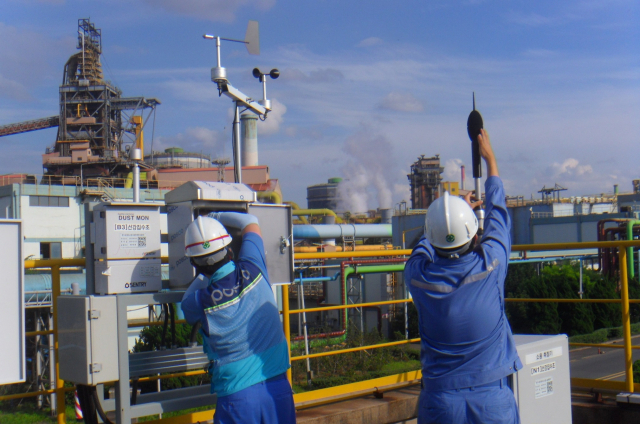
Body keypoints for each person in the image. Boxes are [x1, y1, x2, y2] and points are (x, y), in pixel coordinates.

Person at [404, 128, 522, 424]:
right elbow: (498, 217)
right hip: (491, 400)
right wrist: (490, 160)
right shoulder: (491, 265)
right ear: (473, 232)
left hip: (440, 404)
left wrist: (449, 218)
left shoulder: (417, 279)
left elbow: (423, 247)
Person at [181, 212, 296, 424]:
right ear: (229, 249)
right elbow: (250, 221)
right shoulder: (254, 266)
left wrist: (203, 272)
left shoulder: (200, 301)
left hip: (237, 398)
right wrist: (215, 215)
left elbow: (185, 300)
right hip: (278, 390)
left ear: (196, 264)